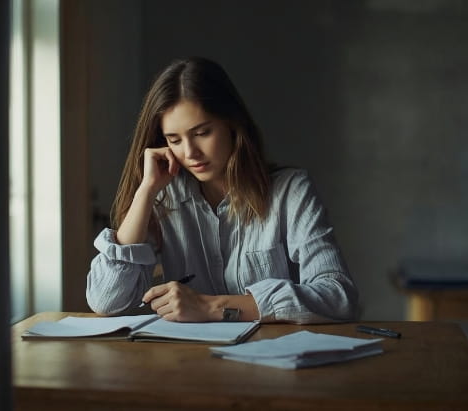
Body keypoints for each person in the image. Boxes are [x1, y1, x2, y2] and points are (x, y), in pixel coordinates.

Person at [86, 57, 358, 324]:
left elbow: (338, 296)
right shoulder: (163, 197)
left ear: (232, 124)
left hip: (271, 362)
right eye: (174, 140)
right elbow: (106, 301)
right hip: (187, 361)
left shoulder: (291, 191)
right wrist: (145, 191)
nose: (190, 153)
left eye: (202, 133)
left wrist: (212, 307)